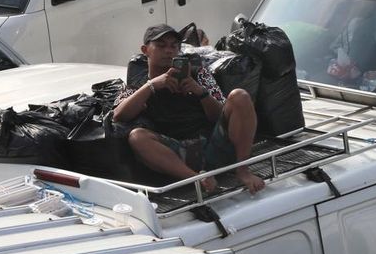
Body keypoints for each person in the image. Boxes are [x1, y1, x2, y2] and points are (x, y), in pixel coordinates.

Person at [113, 24, 265, 194]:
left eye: (174, 46)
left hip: (213, 144)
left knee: (240, 96)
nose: (169, 51)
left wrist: (201, 93)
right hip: (178, 155)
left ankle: (242, 170)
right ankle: (197, 180)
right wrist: (151, 86)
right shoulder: (137, 85)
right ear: (145, 50)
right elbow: (118, 115)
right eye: (161, 46)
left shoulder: (199, 74)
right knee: (137, 137)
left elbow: (221, 115)